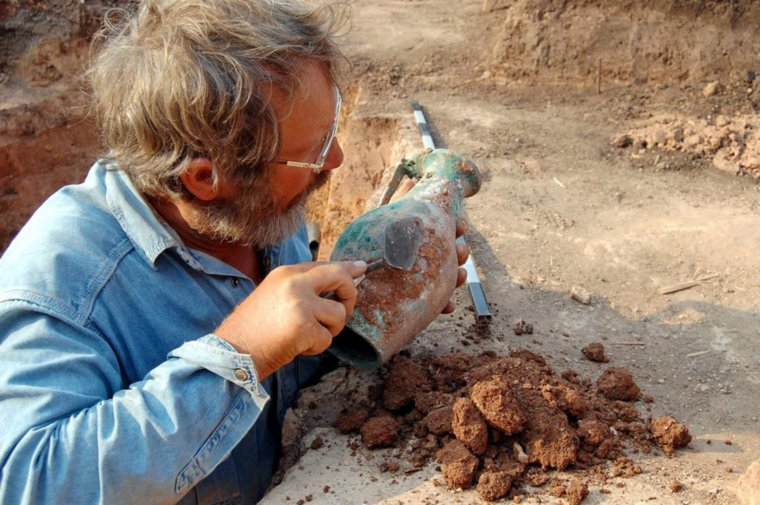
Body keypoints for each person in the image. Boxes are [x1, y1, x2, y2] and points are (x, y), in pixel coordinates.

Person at [0, 0, 468, 504]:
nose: (335, 159)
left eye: (331, 129)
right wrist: (241, 353)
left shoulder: (251, 210)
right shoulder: (63, 285)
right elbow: (30, 481)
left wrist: (378, 306)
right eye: (314, 149)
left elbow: (295, 363)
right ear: (205, 177)